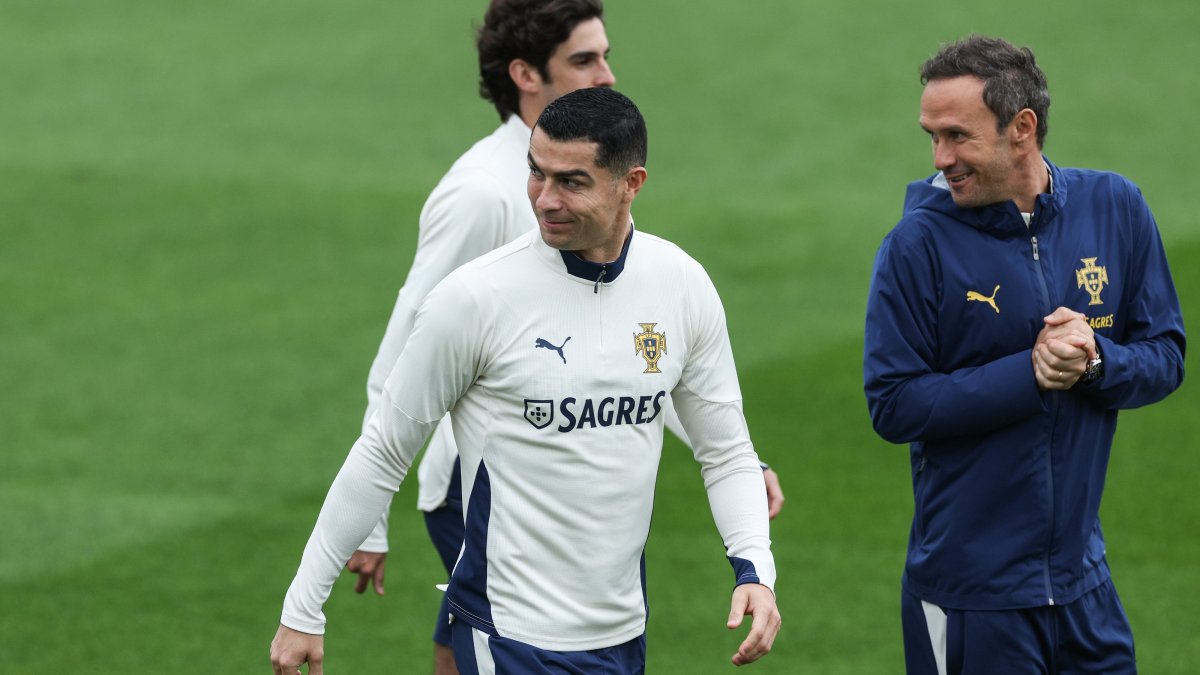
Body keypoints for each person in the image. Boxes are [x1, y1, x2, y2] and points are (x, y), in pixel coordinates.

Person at [271, 87, 781, 674]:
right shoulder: (476, 299)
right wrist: (303, 608)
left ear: (631, 182)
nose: (544, 199)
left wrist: (755, 572)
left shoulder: (681, 285)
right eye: (536, 174)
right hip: (508, 634)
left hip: (623, 634)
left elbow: (727, 453)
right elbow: (383, 451)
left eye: (572, 181)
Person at [863, 35, 1185, 674]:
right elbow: (893, 404)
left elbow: (1166, 353)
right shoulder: (915, 247)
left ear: (1022, 128)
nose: (940, 157)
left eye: (957, 136)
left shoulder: (1115, 206)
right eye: (932, 135)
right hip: (972, 602)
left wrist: (1097, 361)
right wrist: (1029, 374)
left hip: (1084, 589)